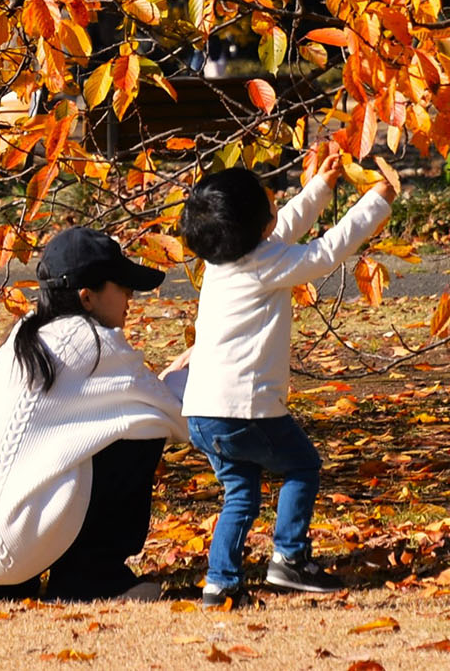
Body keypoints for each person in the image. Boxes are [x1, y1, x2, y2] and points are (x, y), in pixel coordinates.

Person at [0, 227, 187, 601]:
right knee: (143, 425)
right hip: (9, 546)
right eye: (122, 286)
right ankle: (93, 577)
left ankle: (1, 588)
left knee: (85, 432)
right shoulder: (92, 343)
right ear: (87, 297)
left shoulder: (20, 340)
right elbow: (178, 418)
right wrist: (186, 375)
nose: (130, 296)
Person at [180, 145, 395, 607]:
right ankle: (290, 559)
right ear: (257, 224)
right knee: (302, 466)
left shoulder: (222, 260)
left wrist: (321, 187)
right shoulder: (263, 264)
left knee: (240, 494)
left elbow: (284, 226)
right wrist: (377, 200)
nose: (277, 200)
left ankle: (220, 584)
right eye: (268, 199)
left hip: (202, 413)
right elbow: (326, 251)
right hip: (245, 410)